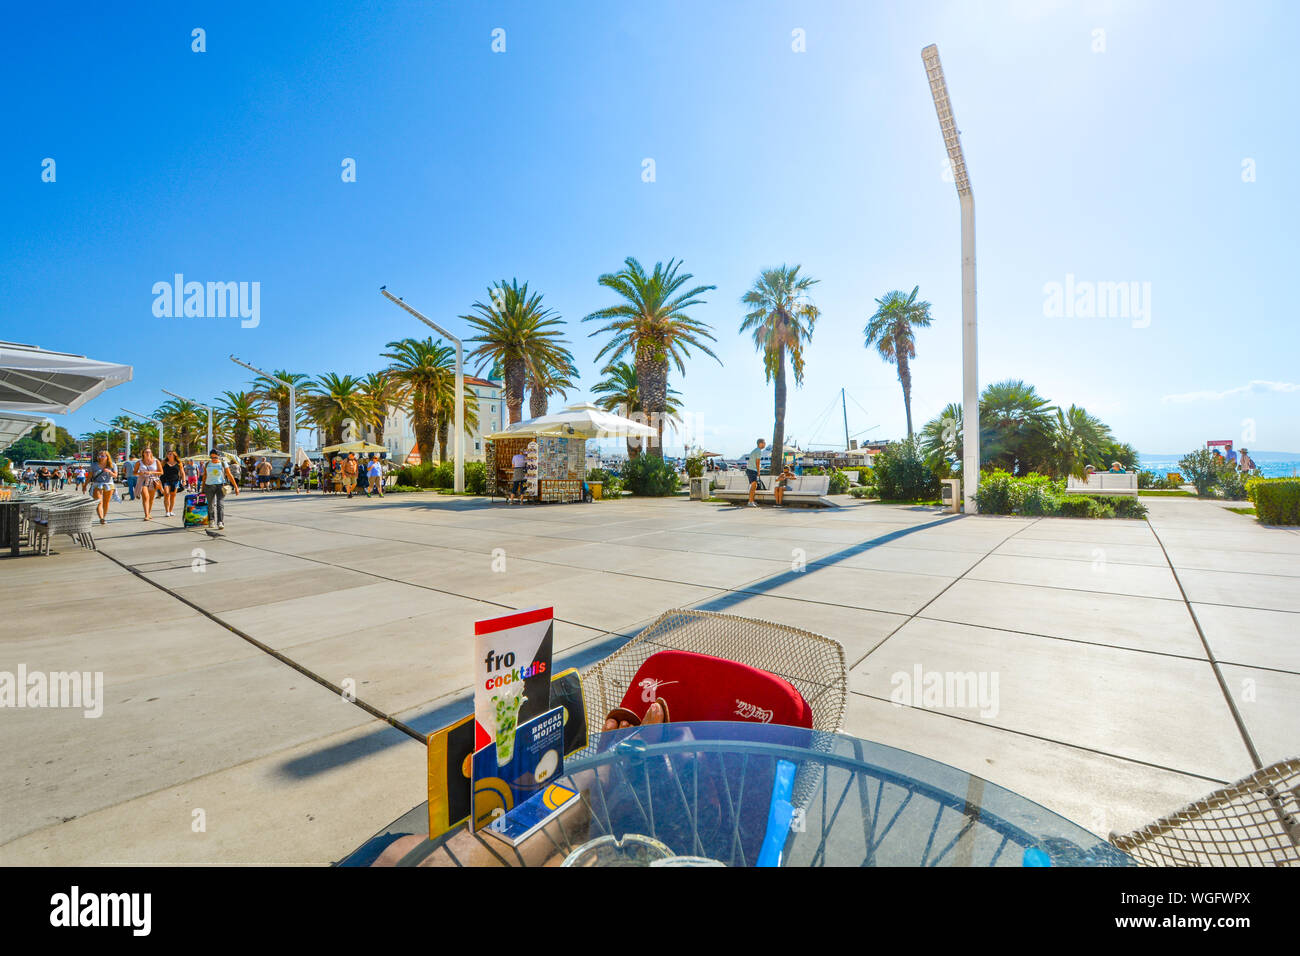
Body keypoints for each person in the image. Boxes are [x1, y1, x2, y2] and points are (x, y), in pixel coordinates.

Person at [202, 449, 240, 530]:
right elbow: (204, 476)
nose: (213, 459)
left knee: (220, 504)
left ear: (218, 456)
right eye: (211, 457)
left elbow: (229, 475)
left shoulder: (223, 463)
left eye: (215, 457)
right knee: (210, 505)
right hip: (209, 486)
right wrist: (202, 488)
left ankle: (220, 522)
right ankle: (211, 520)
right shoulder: (207, 464)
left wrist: (236, 487)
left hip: (221, 486)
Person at [89, 450, 117, 525]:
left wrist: (110, 472)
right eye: (99, 456)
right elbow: (90, 476)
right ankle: (101, 518)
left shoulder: (112, 465)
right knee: (99, 502)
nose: (100, 457)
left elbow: (115, 475)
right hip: (97, 484)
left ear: (107, 457)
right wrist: (85, 485)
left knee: (106, 502)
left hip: (109, 484)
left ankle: (103, 517)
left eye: (102, 456)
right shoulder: (94, 465)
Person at [135, 447, 162, 521]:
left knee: (151, 498)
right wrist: (139, 473)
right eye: (146, 452)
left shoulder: (156, 461)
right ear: (143, 453)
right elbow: (134, 472)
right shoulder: (139, 462)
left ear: (151, 453)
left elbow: (161, 472)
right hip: (143, 480)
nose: (147, 453)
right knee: (146, 497)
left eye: (149, 452)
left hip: (153, 480)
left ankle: (149, 513)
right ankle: (146, 515)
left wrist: (151, 472)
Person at [160, 450, 185, 517]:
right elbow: (159, 470)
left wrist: (184, 480)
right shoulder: (164, 462)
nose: (169, 455)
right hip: (166, 480)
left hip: (175, 481)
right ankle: (167, 511)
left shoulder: (179, 463)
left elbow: (182, 472)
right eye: (168, 454)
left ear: (174, 455)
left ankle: (171, 511)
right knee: (166, 494)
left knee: (173, 496)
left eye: (170, 454)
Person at [745, 438, 767, 507]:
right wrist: (758, 471)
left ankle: (752, 501)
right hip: (752, 470)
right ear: (760, 443)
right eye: (764, 443)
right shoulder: (758, 451)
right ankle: (750, 501)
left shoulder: (756, 450)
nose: (765, 444)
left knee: (755, 486)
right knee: (754, 486)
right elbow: (757, 462)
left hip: (750, 469)